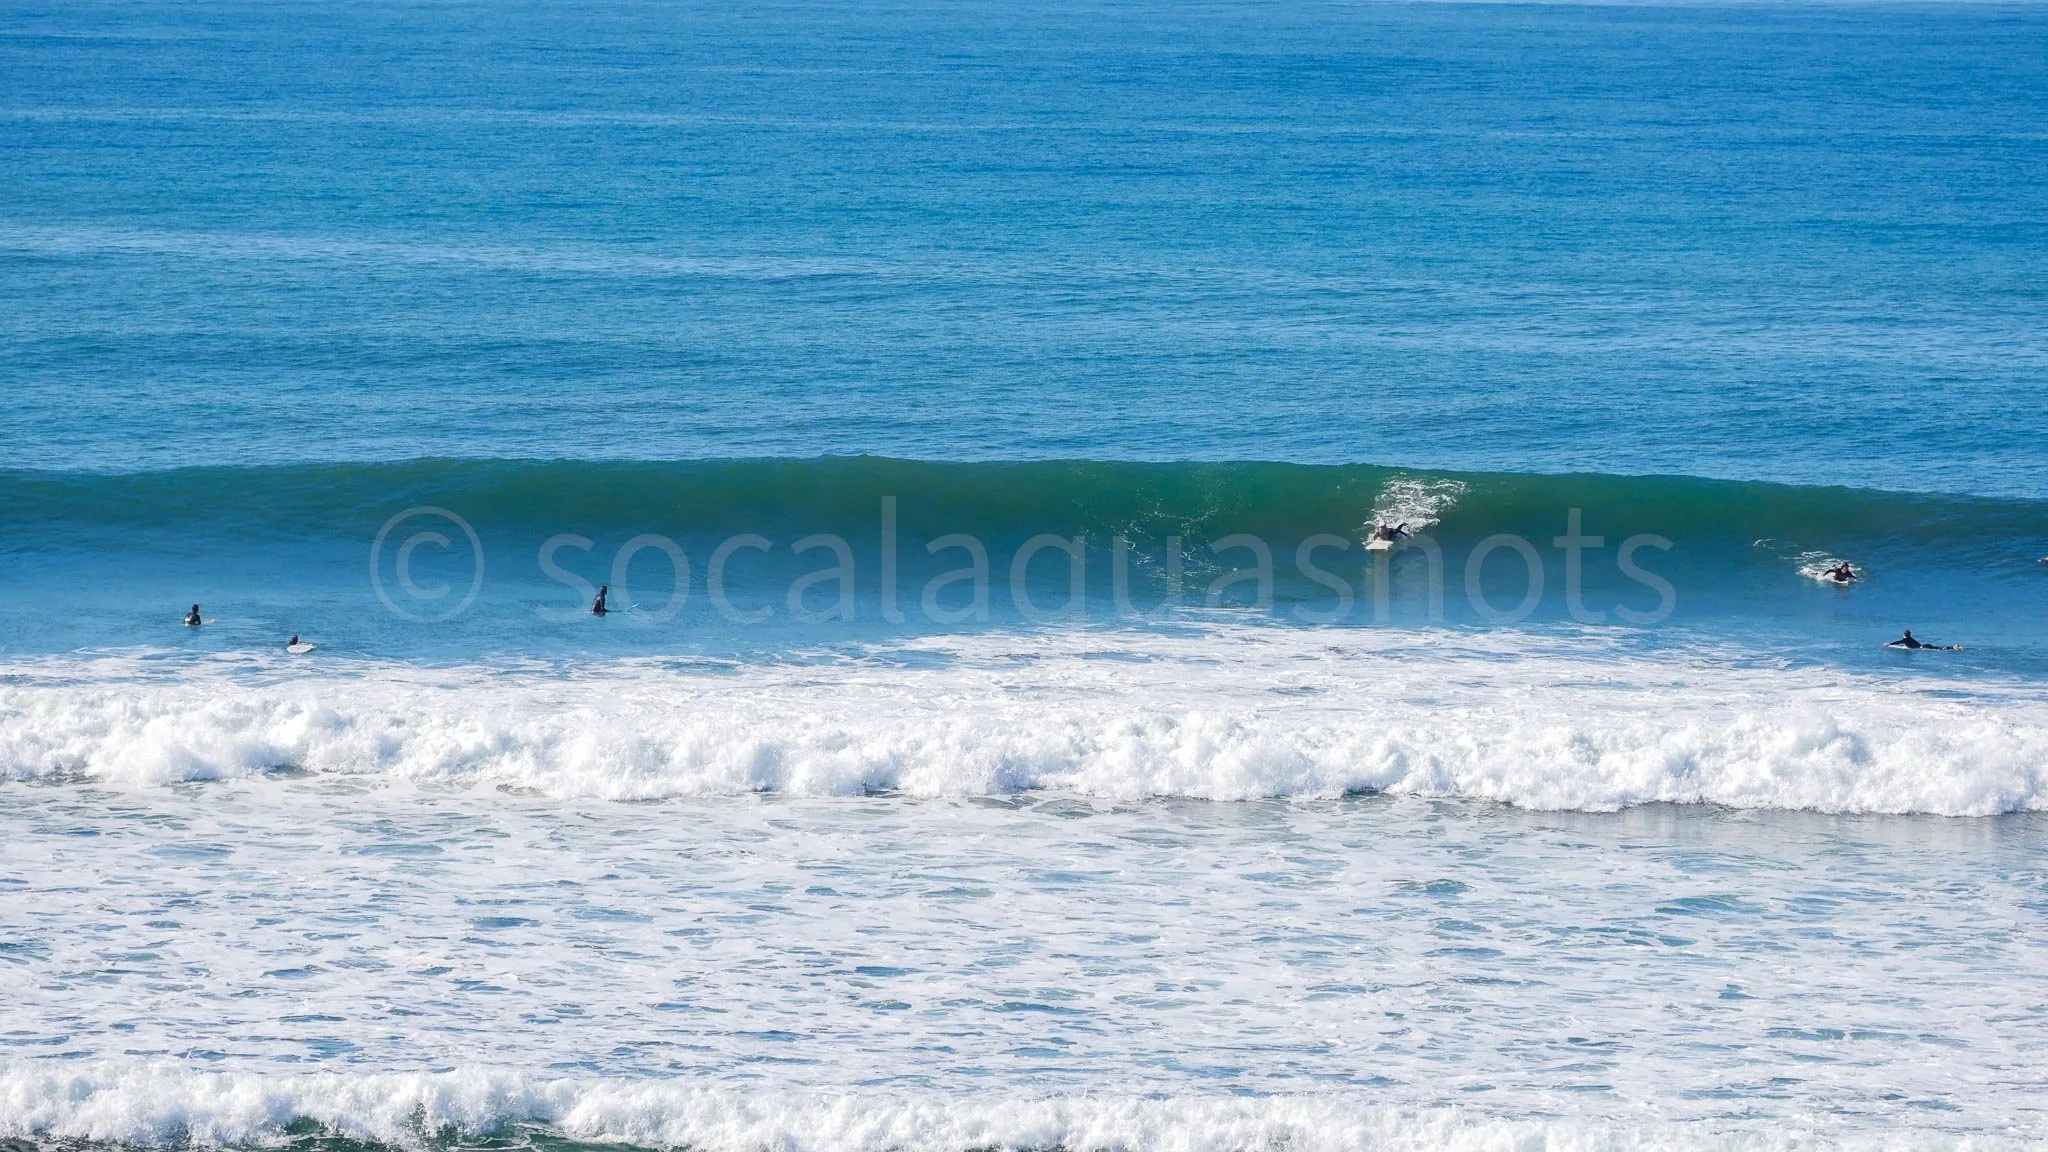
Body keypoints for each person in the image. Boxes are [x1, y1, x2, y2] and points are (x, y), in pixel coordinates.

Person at [1886, 629, 1960, 651]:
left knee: (1939, 649)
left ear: (1904, 635)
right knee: (1938, 648)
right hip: (1924, 645)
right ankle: (1953, 647)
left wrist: (1889, 644)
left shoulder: (1905, 640)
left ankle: (1953, 648)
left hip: (1922, 647)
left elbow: (1898, 642)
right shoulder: (1910, 638)